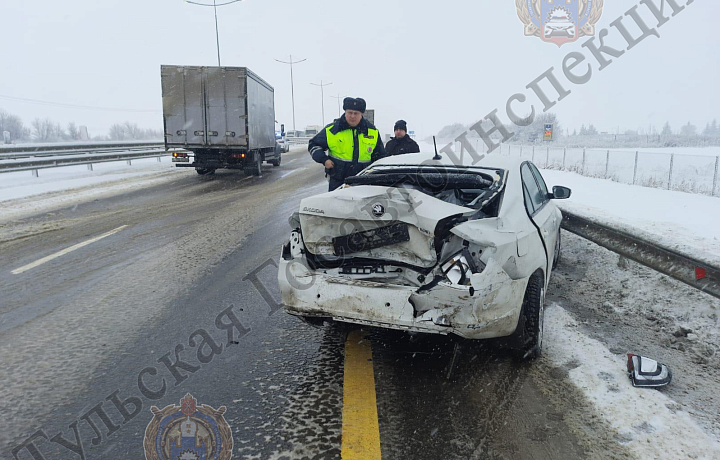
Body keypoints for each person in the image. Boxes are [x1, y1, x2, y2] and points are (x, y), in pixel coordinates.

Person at [309, 97, 386, 191]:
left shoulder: (372, 132)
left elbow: (380, 156)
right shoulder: (332, 130)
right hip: (338, 182)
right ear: (345, 112)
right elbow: (313, 145)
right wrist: (324, 160)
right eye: (350, 112)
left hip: (364, 182)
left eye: (356, 113)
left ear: (361, 114)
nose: (352, 116)